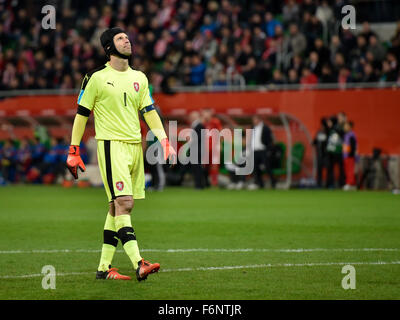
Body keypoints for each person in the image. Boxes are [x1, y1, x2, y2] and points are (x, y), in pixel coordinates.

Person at [66, 28, 176, 281]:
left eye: (127, 37)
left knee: (116, 208)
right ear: (108, 47)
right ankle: (139, 262)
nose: (127, 40)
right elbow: (82, 115)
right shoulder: (95, 77)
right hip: (111, 145)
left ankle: (104, 268)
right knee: (125, 203)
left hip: (134, 147)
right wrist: (74, 150)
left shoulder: (140, 77)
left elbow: (148, 111)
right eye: (120, 38)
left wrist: (165, 141)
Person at [249, 115, 276, 189]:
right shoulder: (253, 127)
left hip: (263, 150)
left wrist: (269, 150)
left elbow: (270, 140)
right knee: (255, 168)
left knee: (267, 167)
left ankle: (273, 181)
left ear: (259, 120)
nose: (254, 121)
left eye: (255, 119)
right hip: (255, 150)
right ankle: (260, 183)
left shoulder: (265, 128)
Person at [342, 121, 358, 190]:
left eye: (346, 126)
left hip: (350, 156)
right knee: (347, 170)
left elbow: (353, 146)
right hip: (345, 155)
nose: (344, 127)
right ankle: (352, 184)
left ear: (350, 127)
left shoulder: (352, 135)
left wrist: (351, 154)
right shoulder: (346, 135)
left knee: (350, 170)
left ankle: (350, 183)